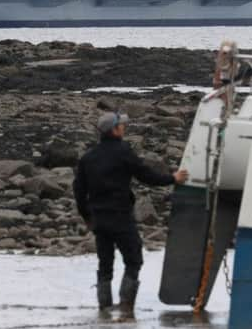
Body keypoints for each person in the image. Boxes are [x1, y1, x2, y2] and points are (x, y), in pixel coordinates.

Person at [73, 111, 189, 316]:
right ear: (114, 130)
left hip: (99, 219)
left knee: (105, 264)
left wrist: (87, 217)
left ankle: (104, 309)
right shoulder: (123, 152)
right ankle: (126, 308)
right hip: (120, 217)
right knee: (134, 260)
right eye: (122, 125)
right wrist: (173, 178)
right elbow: (146, 175)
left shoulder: (88, 158)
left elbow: (79, 191)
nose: (124, 128)